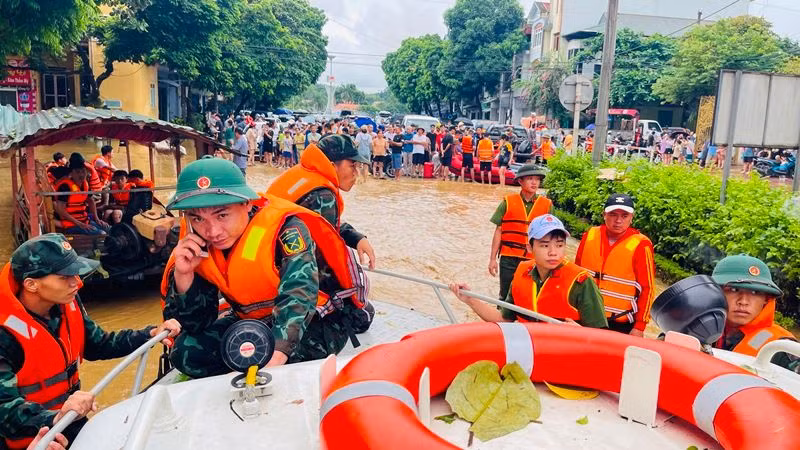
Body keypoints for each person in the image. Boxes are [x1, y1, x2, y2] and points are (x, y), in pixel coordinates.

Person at [161, 157, 371, 378]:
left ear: (247, 204)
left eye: (222, 215)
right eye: (197, 219)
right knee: (186, 353)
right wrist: (184, 277)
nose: (213, 231)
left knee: (270, 357)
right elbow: (198, 323)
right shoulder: (196, 244)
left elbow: (299, 294)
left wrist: (278, 354)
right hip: (252, 322)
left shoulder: (288, 230)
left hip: (316, 320)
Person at [0, 234, 180, 448]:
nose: (77, 283)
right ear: (31, 284)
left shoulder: (66, 303)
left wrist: (149, 334)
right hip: (30, 438)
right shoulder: (5, 334)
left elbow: (98, 344)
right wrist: (55, 418)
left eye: (75, 274)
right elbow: (4, 409)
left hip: (70, 420)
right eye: (65, 277)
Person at [450, 215, 607, 328]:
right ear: (530, 248)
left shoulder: (582, 282)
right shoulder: (522, 273)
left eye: (559, 245)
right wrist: (470, 299)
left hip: (566, 359)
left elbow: (602, 337)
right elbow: (504, 319)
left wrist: (580, 333)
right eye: (545, 245)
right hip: (530, 353)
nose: (553, 252)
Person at [267, 134, 376, 268]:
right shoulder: (322, 196)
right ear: (332, 165)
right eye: (352, 166)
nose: (356, 173)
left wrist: (356, 238)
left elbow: (320, 223)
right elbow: (322, 256)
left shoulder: (304, 174)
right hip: (286, 274)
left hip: (268, 257)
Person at [575, 194, 656, 336]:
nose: (618, 220)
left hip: (618, 323)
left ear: (632, 217)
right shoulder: (590, 236)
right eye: (613, 215)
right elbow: (574, 275)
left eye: (624, 216)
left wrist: (639, 327)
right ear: (604, 215)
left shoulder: (641, 245)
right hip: (584, 315)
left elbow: (647, 289)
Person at [711, 255, 797, 372]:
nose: (743, 301)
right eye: (734, 290)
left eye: (755, 292)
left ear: (766, 299)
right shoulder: (696, 330)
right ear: (715, 293)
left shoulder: (781, 347)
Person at [489, 164, 552, 306]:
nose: (534, 182)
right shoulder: (507, 202)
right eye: (530, 178)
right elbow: (499, 231)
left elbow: (552, 237)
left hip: (533, 259)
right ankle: (502, 323)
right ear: (520, 181)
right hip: (509, 257)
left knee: (530, 296)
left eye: (537, 179)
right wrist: (492, 259)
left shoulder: (546, 204)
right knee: (505, 296)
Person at [54, 157, 109, 235]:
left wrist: (97, 219)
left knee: (109, 228)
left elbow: (90, 201)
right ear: (71, 173)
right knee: (101, 234)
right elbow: (60, 209)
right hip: (71, 224)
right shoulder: (65, 186)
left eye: (83, 172)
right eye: (77, 172)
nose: (81, 175)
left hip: (84, 220)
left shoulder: (85, 184)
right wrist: (80, 224)